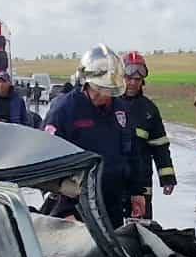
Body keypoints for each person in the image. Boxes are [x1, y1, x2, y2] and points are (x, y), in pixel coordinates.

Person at [44, 50, 136, 226]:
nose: (101, 95)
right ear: (85, 82)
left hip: (112, 204)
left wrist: (136, 192)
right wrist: (65, 210)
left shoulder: (121, 111)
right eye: (97, 88)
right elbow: (45, 162)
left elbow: (133, 154)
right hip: (75, 207)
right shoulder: (64, 111)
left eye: (107, 90)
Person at [115, 64, 178, 220]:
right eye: (129, 78)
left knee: (142, 229)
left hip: (142, 181)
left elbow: (160, 147)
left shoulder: (149, 110)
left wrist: (167, 178)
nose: (133, 83)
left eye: (137, 79)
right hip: (113, 179)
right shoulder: (109, 104)